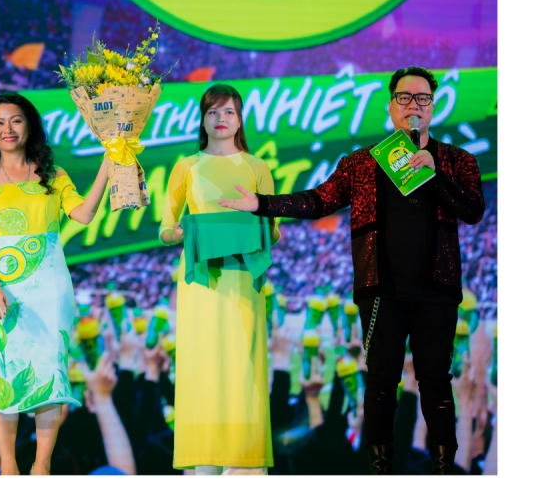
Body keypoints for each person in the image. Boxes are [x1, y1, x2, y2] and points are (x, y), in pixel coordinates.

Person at [220, 66, 485, 474]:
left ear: (433, 107)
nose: (413, 105)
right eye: (404, 98)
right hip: (380, 290)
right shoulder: (361, 164)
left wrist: (434, 175)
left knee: (436, 381)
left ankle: (444, 468)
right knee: (380, 381)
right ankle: (379, 468)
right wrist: (263, 204)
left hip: (436, 290)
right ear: (390, 106)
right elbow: (318, 200)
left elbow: (472, 210)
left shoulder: (456, 160)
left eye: (422, 98)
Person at [0, 92, 109, 475]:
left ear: (29, 125)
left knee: (51, 371)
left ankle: (40, 467)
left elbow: (84, 213)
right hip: (2, 289)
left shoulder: (53, 176)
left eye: (15, 120)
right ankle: (8, 467)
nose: (7, 129)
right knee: (5, 371)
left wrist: (109, 165)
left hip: (50, 287)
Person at [159, 83, 280, 475]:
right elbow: (165, 228)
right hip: (201, 283)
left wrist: (252, 224)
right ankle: (204, 462)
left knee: (243, 365)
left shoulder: (257, 168)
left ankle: (243, 462)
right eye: (213, 112)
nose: (221, 119)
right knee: (202, 363)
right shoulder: (186, 167)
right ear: (203, 119)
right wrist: (180, 232)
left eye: (229, 111)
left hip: (243, 280)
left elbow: (273, 230)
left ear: (240, 119)